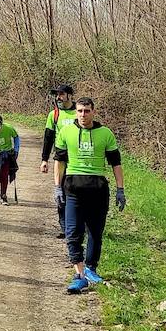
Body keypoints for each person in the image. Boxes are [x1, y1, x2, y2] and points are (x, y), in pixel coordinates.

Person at [53, 97, 126, 294]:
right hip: (73, 188)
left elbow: (116, 164)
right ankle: (79, 275)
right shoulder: (66, 132)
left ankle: (91, 268)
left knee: (95, 232)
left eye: (86, 111)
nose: (83, 115)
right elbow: (59, 162)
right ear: (75, 112)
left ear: (93, 111)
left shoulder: (105, 134)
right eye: (79, 111)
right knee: (72, 233)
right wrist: (57, 187)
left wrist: (120, 189)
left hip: (97, 188)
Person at [39, 84, 76, 238]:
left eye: (61, 94)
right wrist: (44, 159)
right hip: (60, 159)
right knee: (60, 193)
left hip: (77, 160)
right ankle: (65, 227)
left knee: (76, 193)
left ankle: (78, 225)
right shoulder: (53, 115)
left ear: (69, 95)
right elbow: (48, 137)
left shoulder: (79, 112)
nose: (58, 97)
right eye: (57, 95)